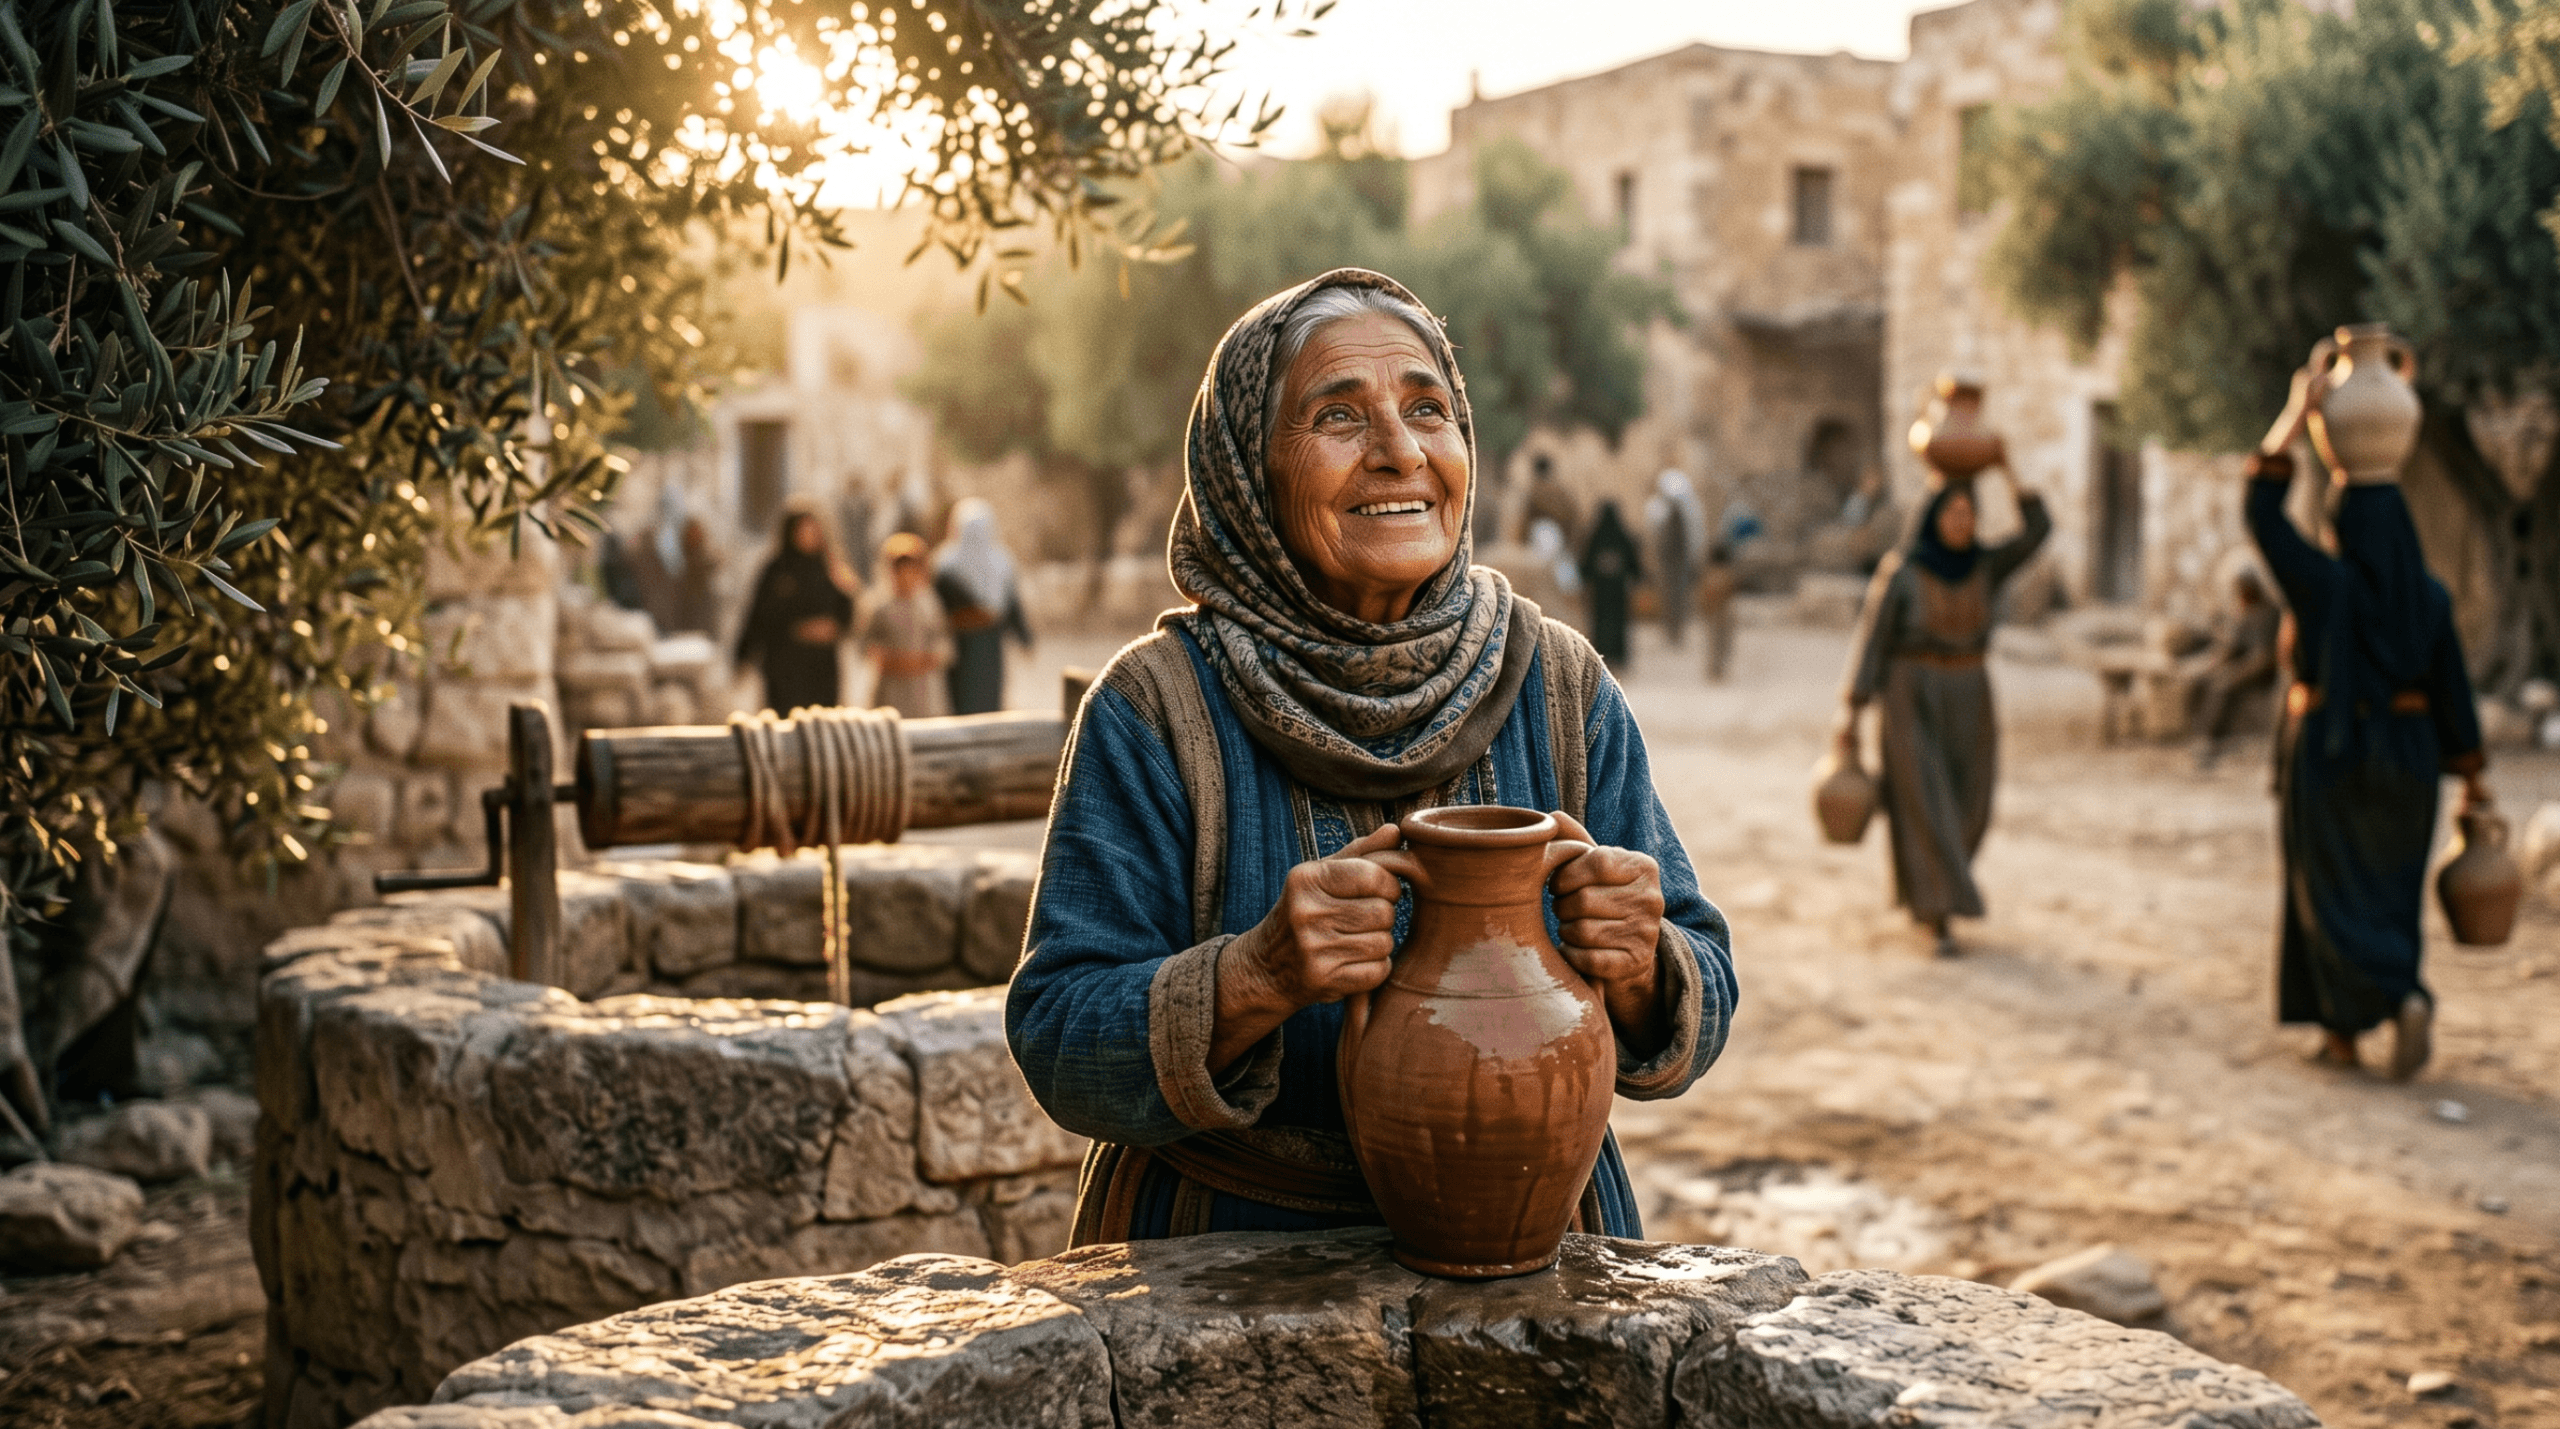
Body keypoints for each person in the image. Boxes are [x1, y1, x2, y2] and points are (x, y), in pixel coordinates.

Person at [1006, 269, 1735, 1244]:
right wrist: (1251, 976)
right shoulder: (1155, 712)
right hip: (1225, 1266)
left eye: (1427, 408)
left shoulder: (1557, 686)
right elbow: (1058, 1040)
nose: (1399, 453)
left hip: (1533, 1236)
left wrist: (1643, 961)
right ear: (1248, 471)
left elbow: (1704, 989)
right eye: (1338, 416)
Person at [2246, 361, 2485, 1079]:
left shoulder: (2322, 584)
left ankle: (2351, 1028)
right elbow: (2455, 689)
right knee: (2387, 888)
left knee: (2327, 891)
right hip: (2409, 759)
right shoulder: (2431, 598)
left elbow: (2260, 511)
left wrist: (2295, 414)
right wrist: (2474, 778)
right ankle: (2400, 993)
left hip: (2331, 747)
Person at [1840, 469, 2052, 958]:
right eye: (1953, 512)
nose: (1962, 521)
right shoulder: (1903, 571)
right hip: (1909, 695)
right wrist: (1851, 711)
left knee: (1970, 803)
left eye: (1970, 513)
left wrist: (2006, 468)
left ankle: (1936, 894)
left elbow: (2038, 532)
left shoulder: (1985, 566)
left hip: (1971, 693)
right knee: (1924, 803)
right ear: (1934, 518)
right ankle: (1935, 917)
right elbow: (1873, 640)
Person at [733, 503, 856, 714]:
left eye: (812, 529)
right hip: (786, 667)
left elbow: (848, 612)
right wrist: (743, 656)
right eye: (802, 529)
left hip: (822, 668)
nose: (808, 535)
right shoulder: (776, 570)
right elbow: (759, 616)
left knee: (822, 726)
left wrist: (832, 628)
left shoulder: (832, 569)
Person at [933, 497, 1032, 715]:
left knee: (989, 696)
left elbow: (1012, 606)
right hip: (960, 644)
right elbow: (937, 608)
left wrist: (1025, 638)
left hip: (989, 644)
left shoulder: (1001, 561)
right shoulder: (945, 564)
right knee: (962, 698)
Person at [2187, 568, 2282, 770]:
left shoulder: (2269, 613)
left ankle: (2211, 742)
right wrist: (2206, 667)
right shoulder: (2245, 615)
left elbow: (2264, 658)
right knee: (2201, 683)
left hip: (2262, 671)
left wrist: (2234, 672)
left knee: (2223, 685)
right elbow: (2230, 649)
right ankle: (2201, 738)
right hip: (2244, 666)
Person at [861, 533, 953, 717]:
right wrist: (897, 661)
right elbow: (868, 647)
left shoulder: (929, 605)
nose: (906, 577)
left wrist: (922, 661)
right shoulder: (879, 605)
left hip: (924, 694)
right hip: (890, 693)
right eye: (900, 571)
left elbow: (944, 645)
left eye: (912, 571)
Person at [1580, 500, 1642, 668]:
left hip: (1601, 590)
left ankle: (1602, 655)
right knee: (1618, 623)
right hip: (1618, 590)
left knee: (1601, 622)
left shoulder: (1595, 537)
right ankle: (1618, 656)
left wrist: (1584, 580)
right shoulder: (1623, 536)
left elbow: (1585, 564)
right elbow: (1633, 563)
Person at [1647, 469, 1706, 647]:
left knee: (1680, 598)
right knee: (1668, 599)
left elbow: (1696, 537)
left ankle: (1677, 633)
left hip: (1680, 563)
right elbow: (1653, 539)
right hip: (1667, 564)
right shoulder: (1657, 509)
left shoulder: (1691, 510)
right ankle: (1670, 633)